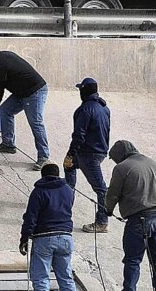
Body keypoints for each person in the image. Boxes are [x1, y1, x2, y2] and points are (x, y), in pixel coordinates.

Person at [106, 140, 156, 291]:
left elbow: (113, 194)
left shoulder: (121, 168)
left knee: (132, 261)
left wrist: (108, 210)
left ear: (120, 156)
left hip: (140, 220)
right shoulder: (154, 164)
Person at [0, 48, 50, 170]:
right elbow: (7, 81)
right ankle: (8, 144)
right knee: (5, 111)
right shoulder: (2, 56)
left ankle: (44, 157)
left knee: (36, 123)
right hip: (21, 92)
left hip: (34, 92)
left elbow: (1, 86)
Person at [64, 77, 111, 233]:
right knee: (68, 168)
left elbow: (79, 135)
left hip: (88, 153)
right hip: (99, 150)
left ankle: (102, 222)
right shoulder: (104, 107)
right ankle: (65, 207)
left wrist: (70, 154)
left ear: (84, 91)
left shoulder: (85, 109)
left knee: (101, 189)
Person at [20, 163, 77, 291]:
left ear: (42, 176)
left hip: (44, 238)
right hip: (66, 238)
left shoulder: (38, 192)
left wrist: (24, 238)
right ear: (58, 174)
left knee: (41, 279)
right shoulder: (68, 190)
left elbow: (30, 217)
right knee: (66, 278)